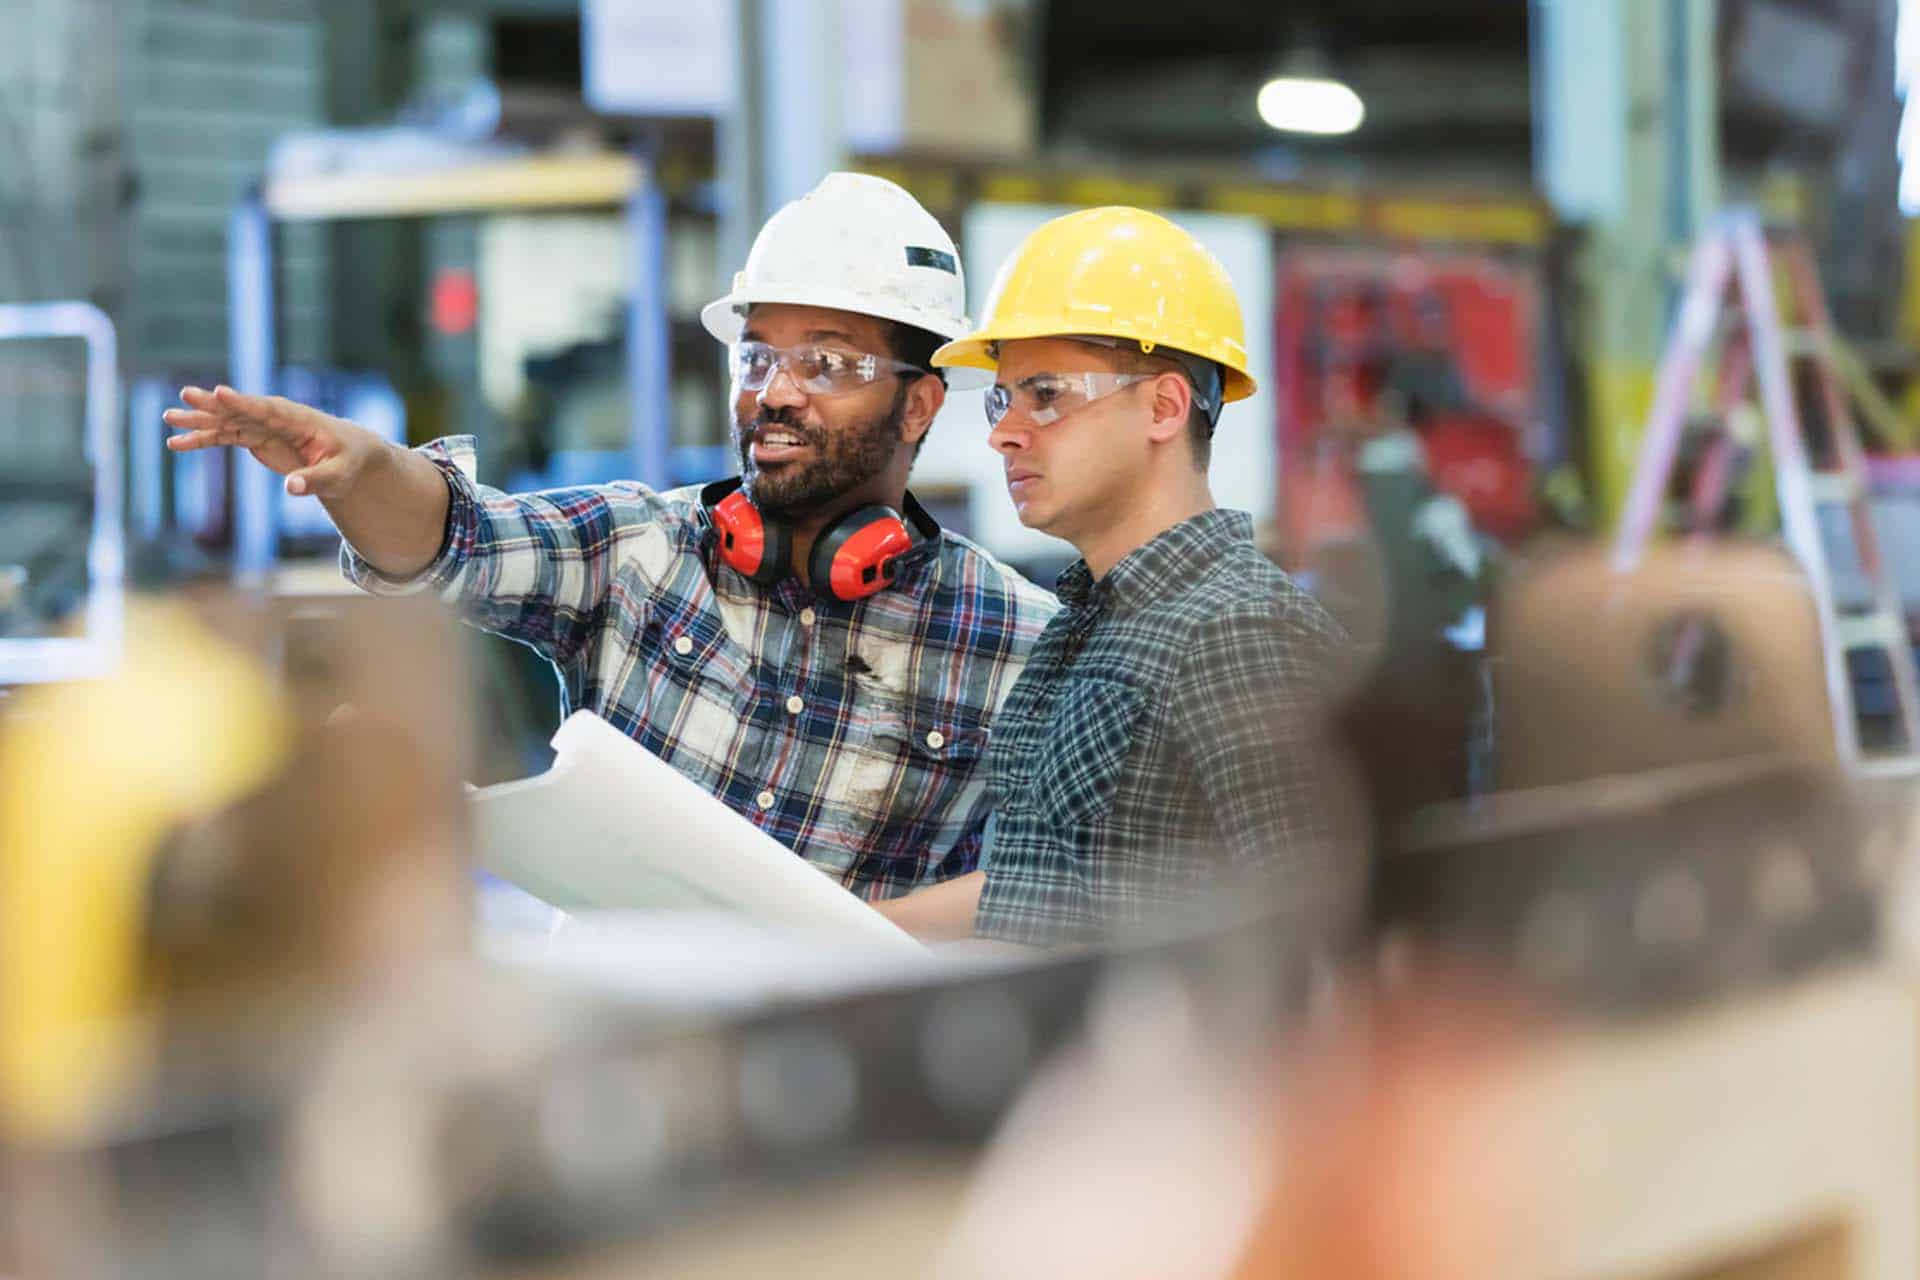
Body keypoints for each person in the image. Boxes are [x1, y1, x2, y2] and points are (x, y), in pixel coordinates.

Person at [163, 173, 1058, 902]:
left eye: (825, 362)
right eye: (757, 356)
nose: (775, 393)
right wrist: (361, 471)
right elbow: (455, 537)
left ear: (921, 402)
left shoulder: (1017, 642)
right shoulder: (640, 549)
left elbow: (1035, 900)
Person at [875, 206, 1358, 948]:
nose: (1004, 431)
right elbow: (1035, 887)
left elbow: (1329, 926)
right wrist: (830, 935)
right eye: (1004, 399)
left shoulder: (1238, 632)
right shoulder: (1086, 625)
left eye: (1047, 395)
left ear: (1163, 407)